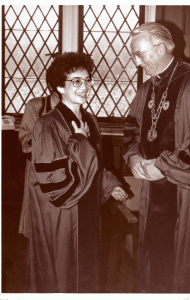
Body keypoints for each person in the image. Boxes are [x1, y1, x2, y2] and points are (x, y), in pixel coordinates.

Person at [123, 22, 190, 293]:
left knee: (186, 264)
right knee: (156, 259)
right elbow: (132, 129)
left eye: (140, 54)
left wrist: (163, 167)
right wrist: (133, 157)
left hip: (188, 188)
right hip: (154, 187)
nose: (137, 62)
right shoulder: (146, 89)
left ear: (160, 48)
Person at [26, 51, 127, 293]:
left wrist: (110, 184)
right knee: (63, 272)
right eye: (76, 81)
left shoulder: (89, 120)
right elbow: (55, 183)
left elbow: (97, 165)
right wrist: (80, 141)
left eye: (87, 79)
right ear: (60, 87)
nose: (85, 86)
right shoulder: (47, 124)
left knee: (86, 269)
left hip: (87, 205)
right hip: (63, 211)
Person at [19, 70, 60, 238]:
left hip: (64, 172)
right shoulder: (35, 105)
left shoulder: (77, 108)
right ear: (50, 86)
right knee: (37, 218)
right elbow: (26, 138)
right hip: (39, 170)